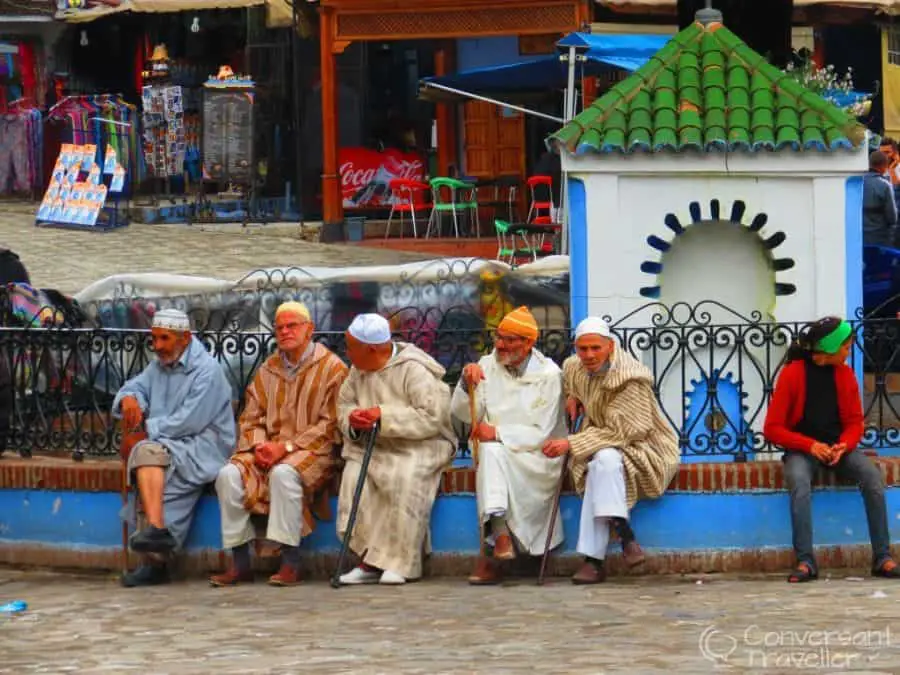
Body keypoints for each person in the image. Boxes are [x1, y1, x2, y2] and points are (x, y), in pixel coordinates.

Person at [210, 302, 348, 587]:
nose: (284, 332)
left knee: (284, 474)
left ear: (309, 330)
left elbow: (331, 424)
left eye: (292, 325)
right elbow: (251, 416)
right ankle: (240, 562)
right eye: (279, 327)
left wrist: (284, 449)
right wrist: (260, 447)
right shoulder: (267, 369)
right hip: (266, 451)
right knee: (228, 475)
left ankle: (290, 562)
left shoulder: (332, 368)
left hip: (315, 453)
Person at [543, 317, 680, 585]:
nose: (589, 355)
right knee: (602, 463)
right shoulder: (575, 366)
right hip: (602, 442)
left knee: (603, 461)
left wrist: (571, 443)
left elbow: (626, 432)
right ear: (575, 348)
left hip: (642, 445)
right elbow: (571, 376)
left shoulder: (630, 379)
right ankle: (623, 531)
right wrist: (573, 396)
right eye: (583, 349)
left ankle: (594, 560)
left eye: (596, 348)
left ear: (610, 346)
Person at [763, 316, 900, 583]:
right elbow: (772, 428)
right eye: (845, 347)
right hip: (803, 450)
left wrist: (844, 446)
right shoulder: (792, 374)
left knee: (872, 477)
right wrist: (809, 445)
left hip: (838, 448)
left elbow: (854, 423)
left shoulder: (845, 374)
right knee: (799, 482)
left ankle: (882, 557)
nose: (849, 352)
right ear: (828, 349)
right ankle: (805, 561)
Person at [114, 308, 235, 587]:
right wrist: (129, 399)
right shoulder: (158, 365)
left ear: (184, 338)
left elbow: (189, 421)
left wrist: (145, 431)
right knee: (150, 462)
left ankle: (156, 551)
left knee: (148, 454)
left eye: (164, 339)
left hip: (204, 445)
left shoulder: (208, 371)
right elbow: (136, 387)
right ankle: (157, 544)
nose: (157, 346)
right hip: (169, 443)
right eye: (154, 339)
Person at [335, 313, 455, 585]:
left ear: (372, 349)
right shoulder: (357, 370)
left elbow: (431, 418)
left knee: (402, 478)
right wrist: (353, 419)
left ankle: (402, 564)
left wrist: (383, 416)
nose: (347, 352)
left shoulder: (414, 369)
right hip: (374, 445)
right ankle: (368, 562)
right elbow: (343, 405)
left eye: (352, 346)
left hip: (421, 445)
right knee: (355, 478)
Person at [450, 305, 566, 585]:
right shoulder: (487, 365)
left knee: (493, 453)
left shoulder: (549, 374)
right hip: (498, 452)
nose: (500, 345)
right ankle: (501, 535)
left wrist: (498, 432)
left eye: (509, 340)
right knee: (490, 453)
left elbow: (543, 432)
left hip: (537, 457)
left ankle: (491, 551)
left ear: (528, 343)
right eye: (498, 337)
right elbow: (465, 415)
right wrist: (467, 386)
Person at [863, 150, 898, 247]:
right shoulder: (885, 185)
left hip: (860, 234)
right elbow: (892, 218)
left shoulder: (858, 182)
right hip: (880, 237)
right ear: (884, 166)